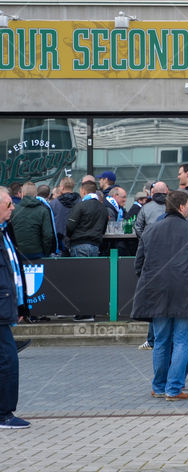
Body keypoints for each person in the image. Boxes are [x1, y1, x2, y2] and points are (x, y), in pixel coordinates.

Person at [132, 191, 188, 401]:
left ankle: (158, 387)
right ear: (183, 206)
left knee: (161, 341)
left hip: (156, 292)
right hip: (186, 292)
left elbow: (138, 265)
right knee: (182, 341)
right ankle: (174, 389)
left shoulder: (150, 231)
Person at [0, 187, 30, 428]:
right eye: (8, 204)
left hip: (7, 306)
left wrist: (21, 306)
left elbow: (14, 272)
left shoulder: (5, 231)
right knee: (8, 360)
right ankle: (4, 414)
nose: (13, 208)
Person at [10, 182, 55, 259]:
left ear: (22, 194)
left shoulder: (13, 210)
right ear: (36, 194)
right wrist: (45, 252)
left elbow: (9, 232)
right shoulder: (43, 211)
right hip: (38, 253)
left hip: (18, 253)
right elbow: (48, 235)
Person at [65, 180, 107, 257]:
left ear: (84, 191)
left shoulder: (80, 205)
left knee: (80, 269)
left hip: (79, 244)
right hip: (95, 246)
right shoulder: (103, 208)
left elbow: (70, 226)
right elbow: (103, 229)